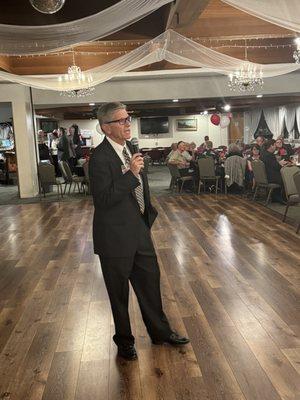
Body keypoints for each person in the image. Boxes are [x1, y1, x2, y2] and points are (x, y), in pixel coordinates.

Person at [89, 102, 189, 361]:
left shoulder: (129, 149)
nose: (127, 123)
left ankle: (160, 332)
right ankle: (124, 342)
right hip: (114, 239)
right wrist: (131, 174)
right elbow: (103, 199)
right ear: (105, 128)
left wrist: (146, 218)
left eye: (127, 119)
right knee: (119, 294)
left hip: (139, 232)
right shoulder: (99, 158)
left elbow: (138, 192)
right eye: (121, 120)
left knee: (150, 286)